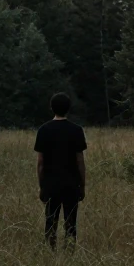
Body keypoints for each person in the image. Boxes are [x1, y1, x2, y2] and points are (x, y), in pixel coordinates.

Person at [34, 93, 87, 250]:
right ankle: (69, 253)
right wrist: (82, 185)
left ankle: (51, 252)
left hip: (51, 184)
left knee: (51, 221)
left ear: (51, 108)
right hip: (71, 184)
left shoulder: (43, 130)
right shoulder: (76, 130)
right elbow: (80, 161)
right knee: (71, 222)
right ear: (68, 108)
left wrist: (41, 186)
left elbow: (40, 163)